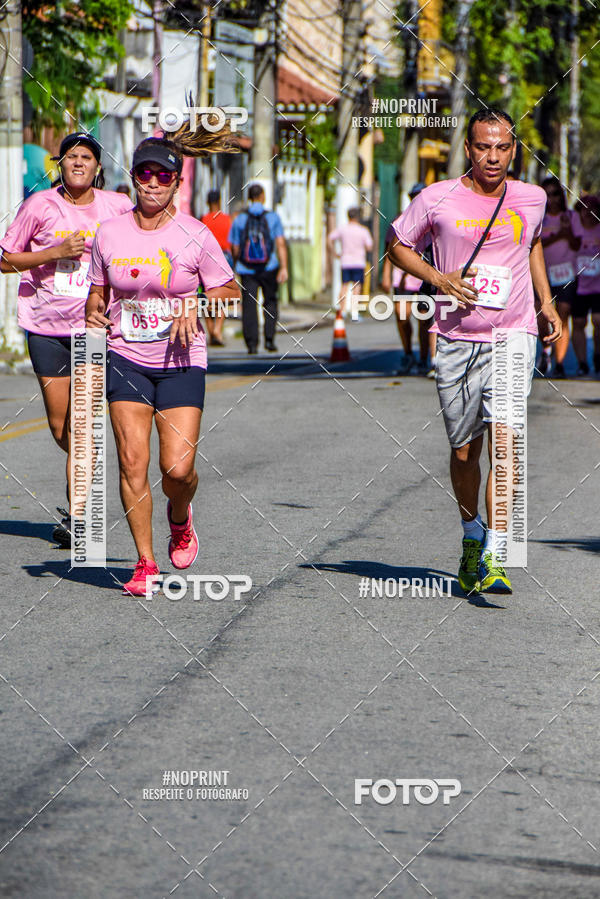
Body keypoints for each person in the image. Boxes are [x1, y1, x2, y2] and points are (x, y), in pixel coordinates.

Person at [389, 107, 561, 596]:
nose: (492, 156)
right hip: (457, 340)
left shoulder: (531, 197)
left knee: (506, 443)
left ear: (513, 150)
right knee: (466, 451)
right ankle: (472, 536)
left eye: (502, 147)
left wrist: (547, 304)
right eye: (483, 146)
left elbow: (532, 246)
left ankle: (497, 551)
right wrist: (439, 279)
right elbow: (397, 244)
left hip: (514, 333)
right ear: (468, 149)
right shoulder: (435, 198)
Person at [86, 124, 240, 595]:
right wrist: (94, 314)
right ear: (132, 178)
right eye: (144, 174)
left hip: (180, 360)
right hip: (125, 356)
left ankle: (180, 516)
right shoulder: (108, 233)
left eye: (162, 176)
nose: (152, 183)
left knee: (177, 470)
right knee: (133, 461)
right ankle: (145, 562)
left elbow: (230, 291)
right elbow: (98, 294)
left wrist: (197, 300)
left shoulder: (194, 233)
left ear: (176, 182)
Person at [0, 131, 131, 547]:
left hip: (94, 330)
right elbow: (5, 259)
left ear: (97, 167)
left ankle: (80, 517)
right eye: (71, 156)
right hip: (45, 328)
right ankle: (81, 485)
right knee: (62, 427)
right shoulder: (40, 205)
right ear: (61, 164)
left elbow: (143, 242)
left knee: (83, 426)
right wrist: (54, 252)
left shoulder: (117, 207)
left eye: (86, 157)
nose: (78, 163)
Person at [381, 183, 436, 375]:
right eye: (414, 196)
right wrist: (386, 275)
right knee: (402, 315)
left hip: (425, 277)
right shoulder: (400, 221)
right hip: (402, 279)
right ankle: (407, 354)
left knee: (424, 320)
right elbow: (390, 251)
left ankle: (424, 358)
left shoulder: (434, 220)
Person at [229, 184, 287, 354]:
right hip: (269, 267)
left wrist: (237, 263)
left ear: (249, 197)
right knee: (270, 301)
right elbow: (280, 243)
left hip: (246, 269)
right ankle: (269, 339)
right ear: (262, 196)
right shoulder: (273, 217)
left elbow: (234, 246)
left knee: (249, 305)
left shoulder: (240, 219)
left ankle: (252, 344)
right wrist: (283, 267)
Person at [540, 177, 579, 377]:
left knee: (562, 315)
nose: (552, 199)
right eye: (547, 194)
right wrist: (559, 235)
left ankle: (560, 363)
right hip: (543, 276)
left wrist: (568, 231)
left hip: (566, 274)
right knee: (540, 317)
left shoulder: (571, 217)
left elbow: (577, 245)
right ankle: (545, 349)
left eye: (555, 194)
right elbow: (535, 246)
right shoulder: (539, 218)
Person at [571, 196, 600, 376]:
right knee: (579, 322)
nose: (588, 212)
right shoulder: (573, 228)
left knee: (598, 320)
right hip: (578, 284)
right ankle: (582, 362)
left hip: (598, 285)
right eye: (584, 208)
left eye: (593, 208)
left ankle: (598, 354)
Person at [200, 189, 233, 347]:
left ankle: (211, 329)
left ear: (208, 202)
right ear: (219, 201)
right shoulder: (227, 220)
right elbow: (232, 243)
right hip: (224, 258)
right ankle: (218, 330)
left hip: (205, 260)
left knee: (207, 296)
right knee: (223, 297)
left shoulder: (203, 220)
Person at [327, 208, 373, 316]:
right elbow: (369, 246)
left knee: (344, 286)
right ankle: (354, 312)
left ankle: (342, 311)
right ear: (358, 217)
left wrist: (334, 253)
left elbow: (329, 238)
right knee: (356, 288)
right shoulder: (363, 230)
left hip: (345, 261)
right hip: (358, 262)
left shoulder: (342, 229)